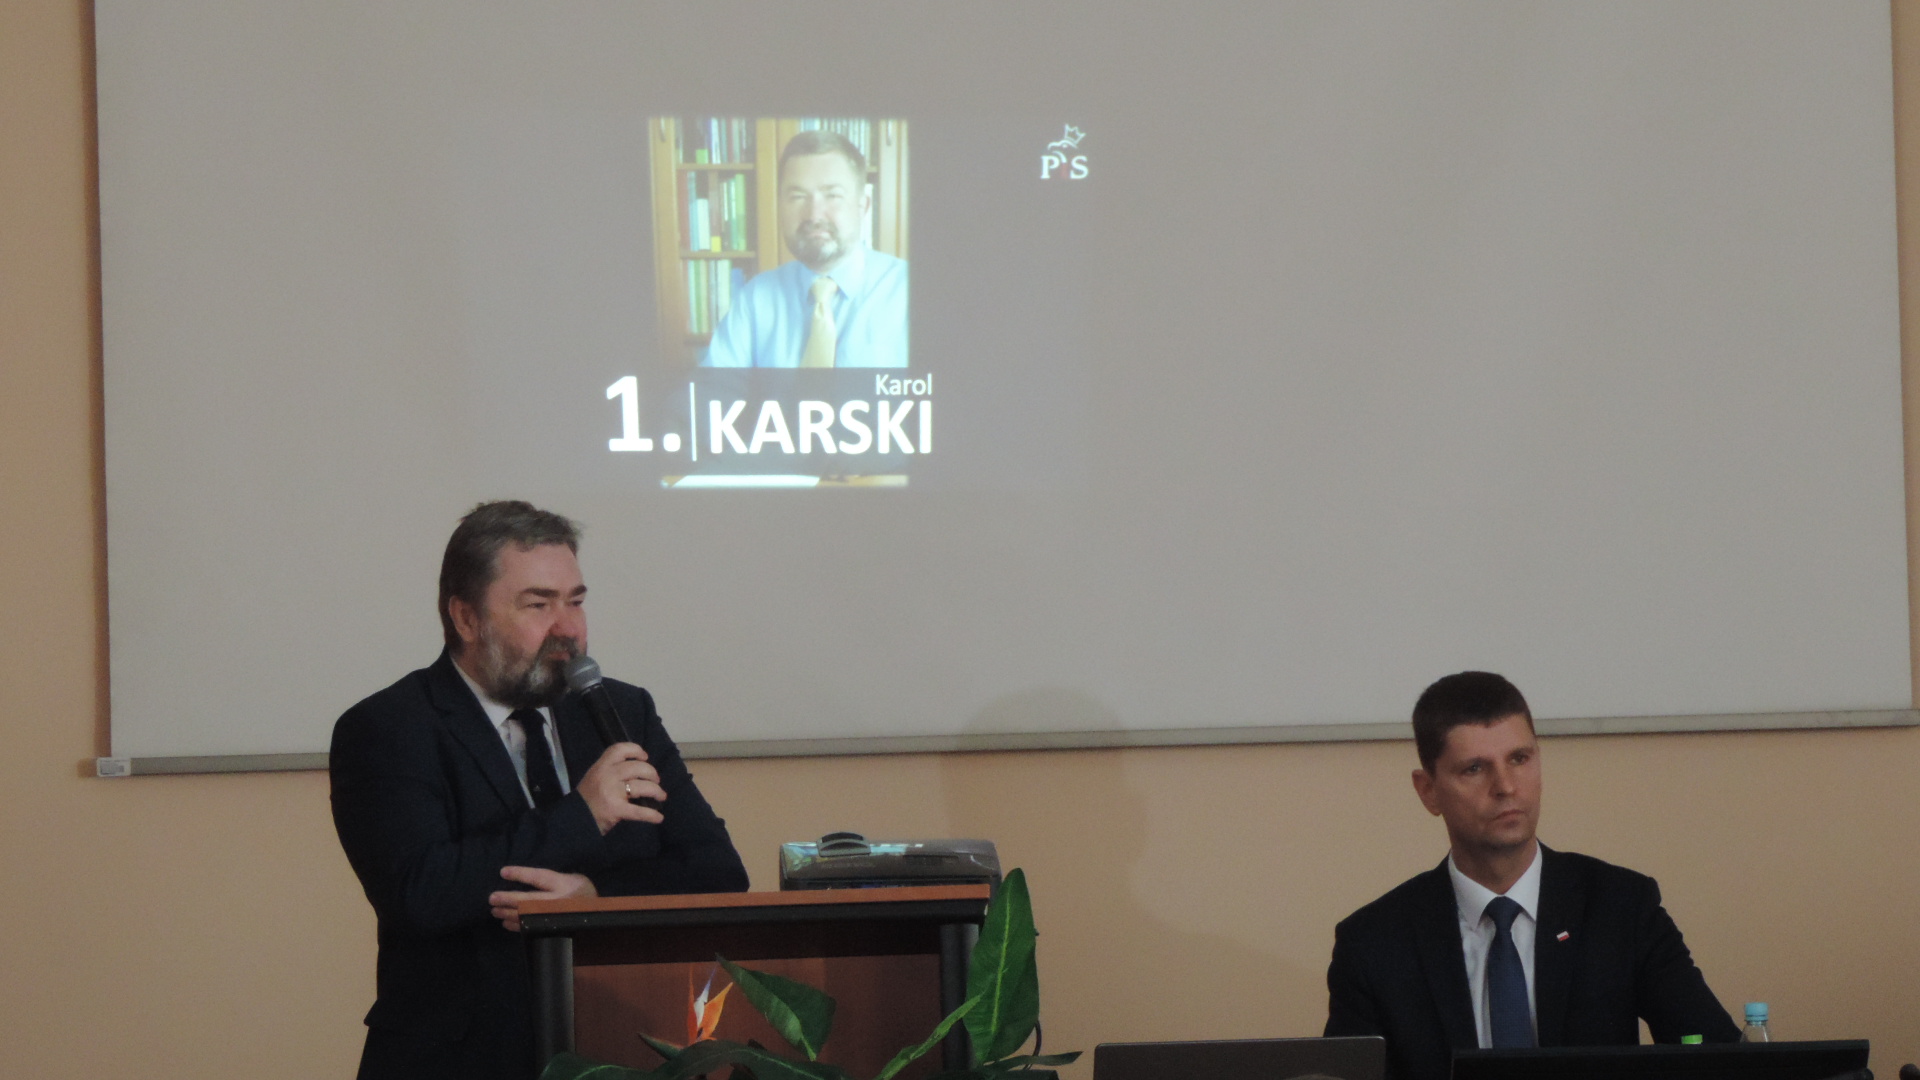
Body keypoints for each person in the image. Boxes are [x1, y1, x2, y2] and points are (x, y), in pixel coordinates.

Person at [330, 501, 749, 1080]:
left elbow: (717, 872)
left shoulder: (624, 711)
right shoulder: (389, 727)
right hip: (458, 1059)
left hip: (616, 1049)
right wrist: (582, 815)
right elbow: (419, 892)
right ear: (466, 618)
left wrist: (596, 898)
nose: (568, 628)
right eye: (538, 604)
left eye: (575, 601)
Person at [1323, 672, 1737, 1080]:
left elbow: (1716, 1054)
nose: (1506, 786)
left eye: (1519, 759)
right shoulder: (1373, 943)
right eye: (1474, 768)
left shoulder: (1621, 907)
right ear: (1428, 790)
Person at [704, 129, 908, 368]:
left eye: (832, 195)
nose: (814, 214)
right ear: (780, 206)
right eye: (798, 197)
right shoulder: (755, 299)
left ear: (863, 206)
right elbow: (714, 386)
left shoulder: (911, 292)